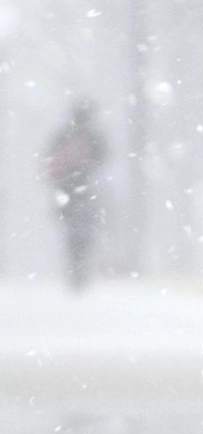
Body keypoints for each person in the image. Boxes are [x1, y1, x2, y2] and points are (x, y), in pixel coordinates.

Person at [45, 100, 108, 291]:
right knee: (83, 232)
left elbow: (49, 158)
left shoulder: (64, 135)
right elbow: (104, 156)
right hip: (84, 187)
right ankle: (79, 268)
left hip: (65, 188)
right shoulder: (91, 136)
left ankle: (74, 268)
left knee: (71, 232)